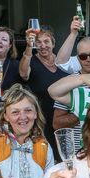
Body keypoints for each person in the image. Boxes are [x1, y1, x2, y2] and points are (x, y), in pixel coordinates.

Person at [18, 26, 68, 157]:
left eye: (46, 41)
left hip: (62, 120)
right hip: (40, 122)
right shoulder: (31, 61)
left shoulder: (64, 62)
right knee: (42, 157)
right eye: (38, 42)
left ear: (53, 43)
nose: (43, 46)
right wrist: (29, 47)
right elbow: (23, 74)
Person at [50, 36, 90, 136]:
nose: (88, 59)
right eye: (83, 56)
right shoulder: (70, 82)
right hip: (79, 149)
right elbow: (57, 124)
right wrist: (86, 109)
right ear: (78, 59)